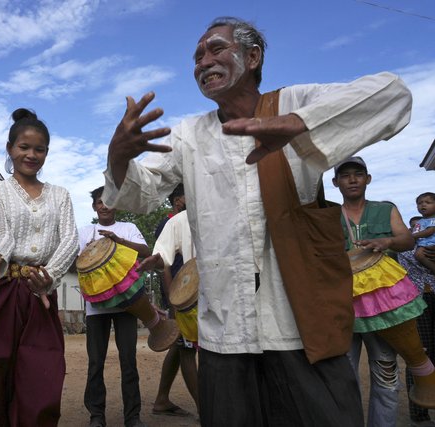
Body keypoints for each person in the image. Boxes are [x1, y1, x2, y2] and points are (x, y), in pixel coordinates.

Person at [102, 16, 412, 426]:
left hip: (301, 327)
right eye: (196, 56)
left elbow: (395, 95)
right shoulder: (189, 135)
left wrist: (302, 125)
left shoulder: (295, 102)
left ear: (252, 57)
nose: (202, 61)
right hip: (224, 333)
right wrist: (119, 156)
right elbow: (139, 194)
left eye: (215, 48)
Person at [0, 108, 78, 427]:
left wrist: (47, 277)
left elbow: (70, 240)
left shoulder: (60, 195)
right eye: (24, 147)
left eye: (39, 149)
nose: (32, 154)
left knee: (41, 380)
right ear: (10, 149)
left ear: (47, 153)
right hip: (1, 292)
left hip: (40, 296)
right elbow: (4, 234)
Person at [333, 157, 417, 426]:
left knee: (386, 374)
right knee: (343, 379)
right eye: (346, 176)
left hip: (384, 307)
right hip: (342, 305)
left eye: (359, 174)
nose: (353, 179)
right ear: (336, 183)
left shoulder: (385, 209)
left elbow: (406, 240)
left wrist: (388, 240)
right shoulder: (329, 215)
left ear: (368, 179)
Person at [79, 185, 150, 427]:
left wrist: (119, 241)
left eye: (109, 201)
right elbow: (74, 264)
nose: (104, 206)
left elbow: (146, 251)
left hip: (126, 305)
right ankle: (96, 415)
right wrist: (88, 255)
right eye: (99, 202)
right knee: (95, 363)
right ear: (94, 207)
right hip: (95, 307)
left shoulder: (127, 229)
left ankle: (133, 416)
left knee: (128, 361)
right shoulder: (85, 232)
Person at [139, 206, 199, 416]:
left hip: (192, 296)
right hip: (182, 300)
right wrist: (173, 303)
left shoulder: (199, 216)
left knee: (179, 346)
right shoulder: (171, 223)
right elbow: (163, 264)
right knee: (187, 349)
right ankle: (205, 409)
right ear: (178, 198)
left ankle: (162, 399)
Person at [400, 215, 435, 427]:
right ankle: (419, 412)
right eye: (413, 227)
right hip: (417, 301)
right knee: (419, 354)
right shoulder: (403, 250)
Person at [413, 192, 435, 275]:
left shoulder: (433, 219)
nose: (423, 205)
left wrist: (412, 236)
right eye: (419, 203)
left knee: (419, 255)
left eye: (428, 202)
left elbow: (430, 231)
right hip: (423, 244)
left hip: (431, 243)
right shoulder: (420, 221)